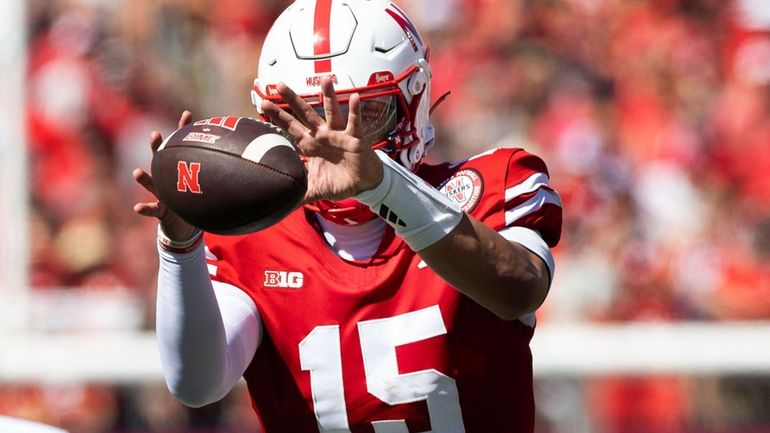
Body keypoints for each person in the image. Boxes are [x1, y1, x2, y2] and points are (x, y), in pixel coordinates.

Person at [132, 0, 562, 431]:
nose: (329, 143)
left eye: (363, 115)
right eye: (302, 120)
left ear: (412, 101)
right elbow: (197, 383)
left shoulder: (485, 184)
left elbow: (518, 291)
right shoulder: (253, 236)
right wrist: (180, 247)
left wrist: (383, 186)